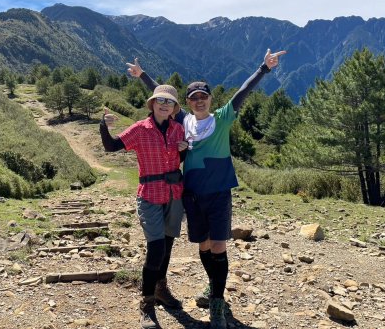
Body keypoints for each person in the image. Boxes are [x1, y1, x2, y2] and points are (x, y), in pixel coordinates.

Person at [127, 49, 286, 329]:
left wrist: (264, 68)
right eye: (194, 98)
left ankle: (216, 302)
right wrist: (143, 77)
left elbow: (243, 92)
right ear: (188, 103)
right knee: (203, 246)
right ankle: (213, 289)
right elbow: (164, 99)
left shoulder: (223, 117)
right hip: (190, 194)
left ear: (210, 99)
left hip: (219, 193)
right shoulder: (183, 121)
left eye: (203, 96)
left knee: (219, 246)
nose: (199, 101)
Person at [100, 84, 189, 329]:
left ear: (174, 108)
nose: (164, 104)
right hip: (149, 194)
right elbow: (111, 146)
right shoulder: (140, 129)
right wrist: (104, 126)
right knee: (156, 248)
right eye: (159, 100)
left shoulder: (178, 129)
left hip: (174, 194)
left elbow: (178, 161)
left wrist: (184, 152)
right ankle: (147, 303)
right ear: (152, 104)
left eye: (169, 101)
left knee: (168, 246)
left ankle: (161, 289)